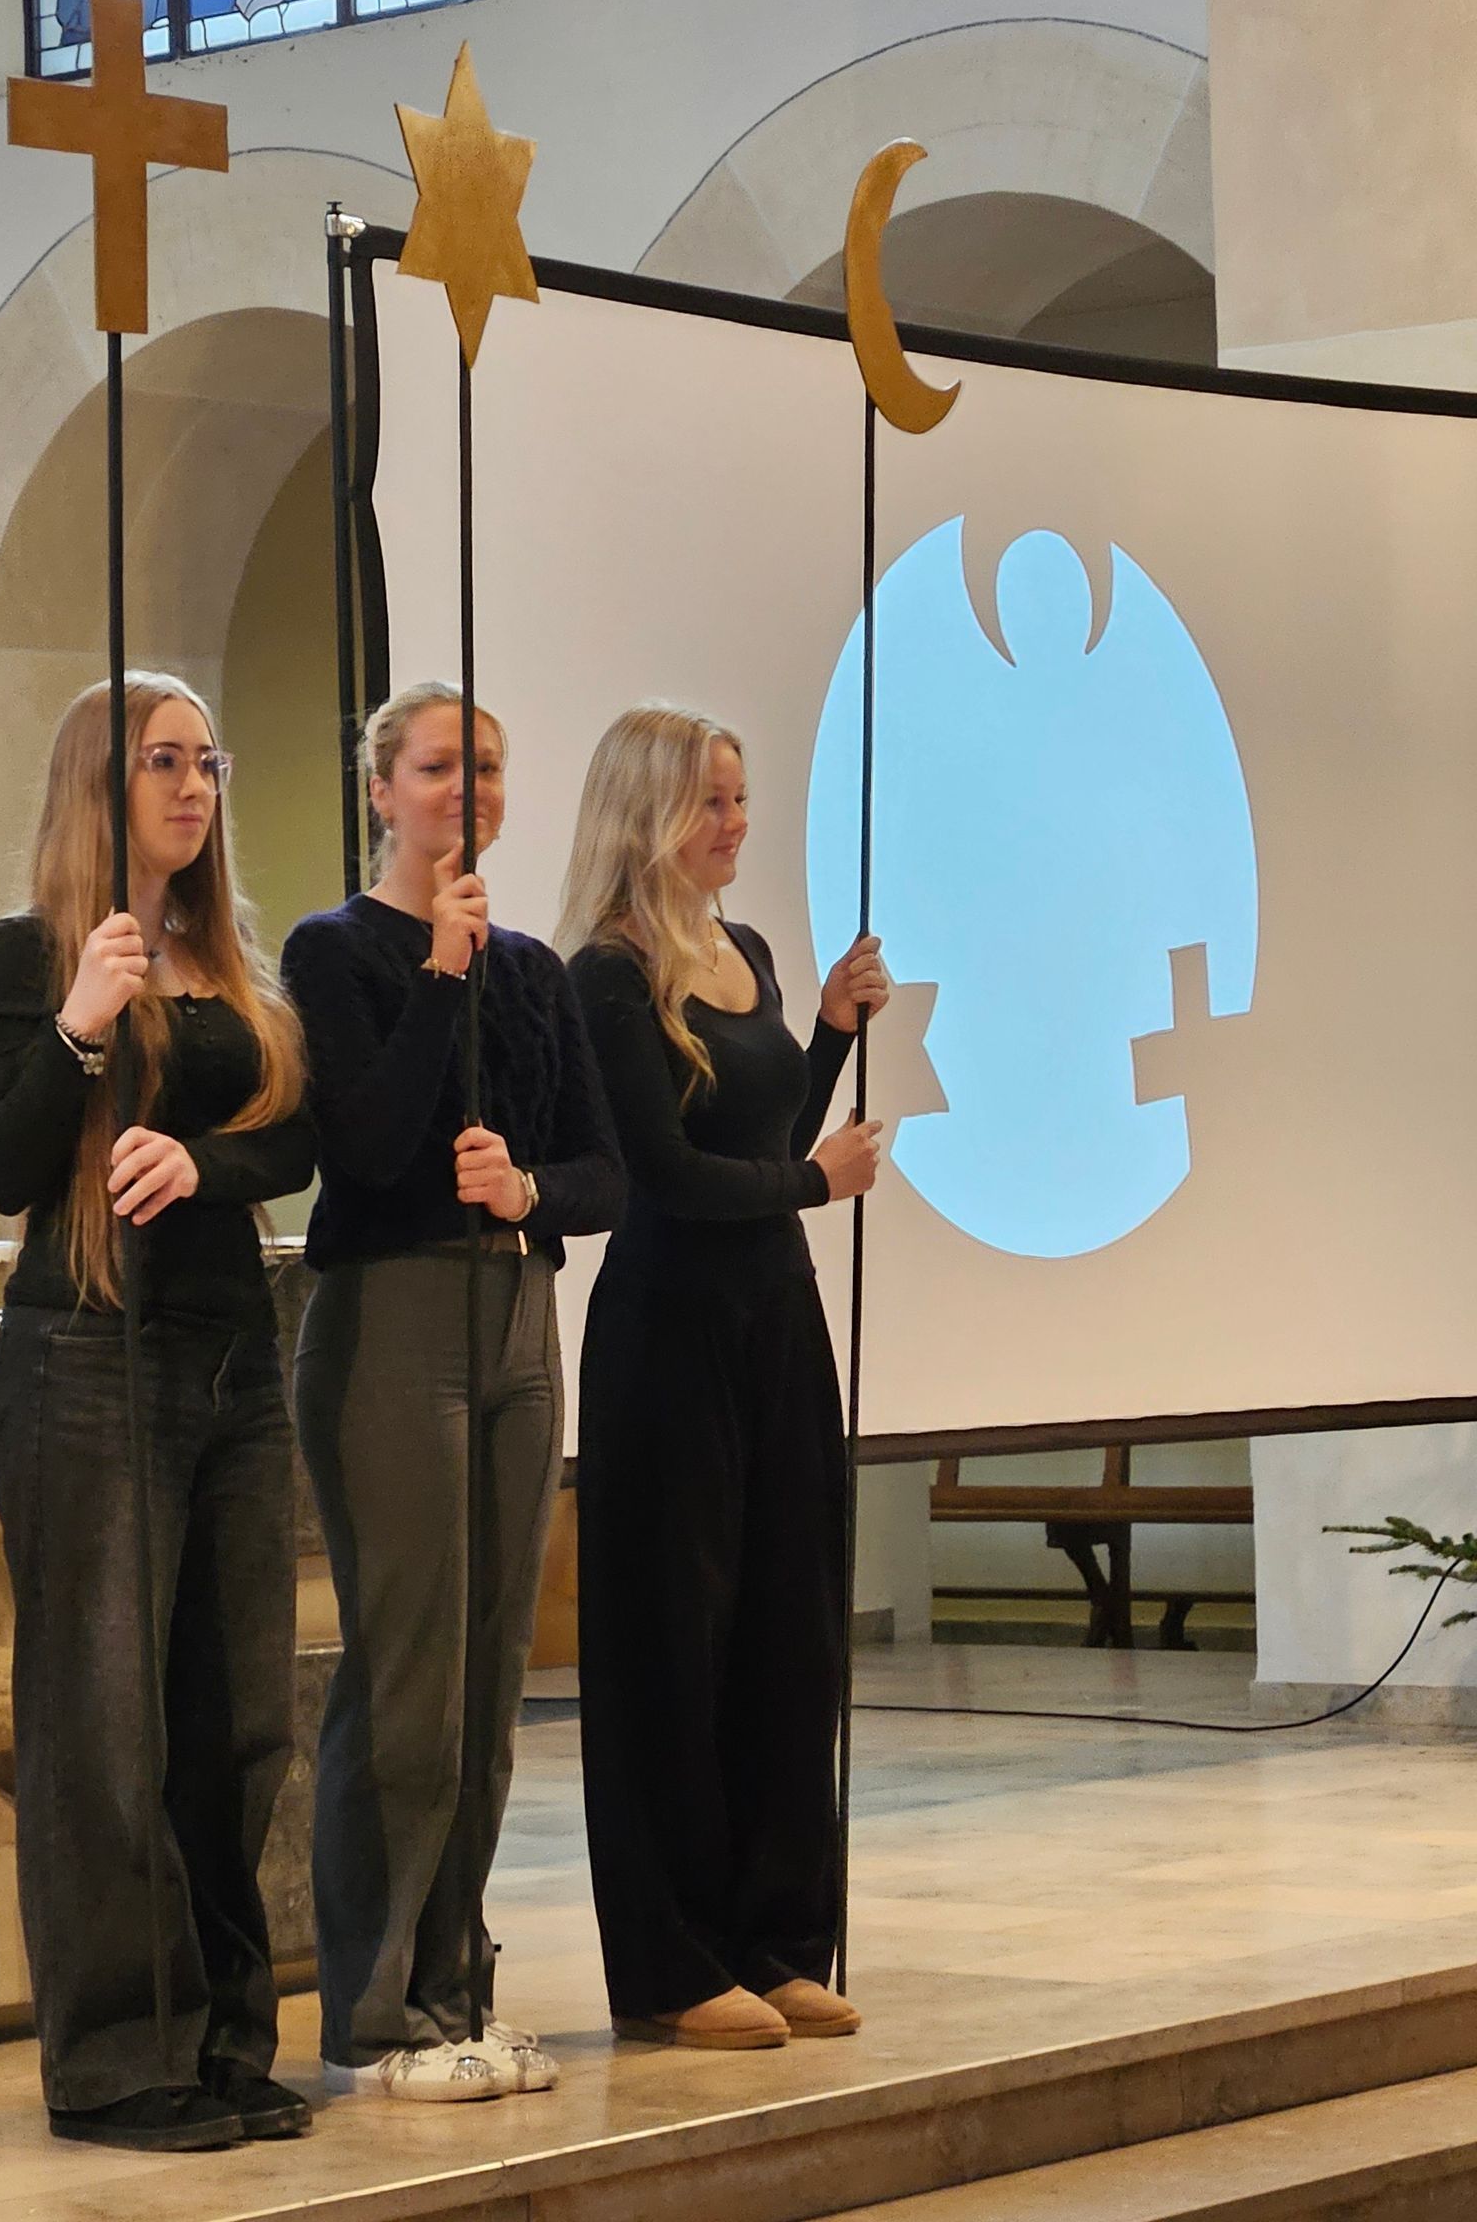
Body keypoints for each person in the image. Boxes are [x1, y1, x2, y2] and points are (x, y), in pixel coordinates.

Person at [0, 671, 315, 2154]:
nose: (192, 788)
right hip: (88, 1366)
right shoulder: (29, 959)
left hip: (232, 1365)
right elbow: (3, 1161)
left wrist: (204, 1166)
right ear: (96, 787)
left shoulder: (229, 960)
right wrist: (83, 1027)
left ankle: (225, 2040)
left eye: (207, 762)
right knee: (103, 1731)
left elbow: (293, 1137)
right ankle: (116, 2061)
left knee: (237, 1726)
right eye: (162, 762)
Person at [281, 682, 624, 2104]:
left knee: (490, 1682)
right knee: (412, 1673)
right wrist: (436, 968)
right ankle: (372, 2012)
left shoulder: (534, 971)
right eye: (436, 768)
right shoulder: (335, 949)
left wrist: (529, 1187)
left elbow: (606, 1172)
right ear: (382, 790)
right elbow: (361, 1148)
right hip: (393, 1316)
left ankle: (453, 1987)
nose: (465, 789)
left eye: (484, 766)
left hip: (519, 1315)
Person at [559, 704, 888, 2052]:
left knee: (788, 1633)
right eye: (712, 802)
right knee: (671, 1648)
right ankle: (674, 1962)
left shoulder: (744, 950)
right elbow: (671, 1177)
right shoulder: (606, 973)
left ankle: (779, 1941)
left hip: (775, 1321)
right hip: (667, 1333)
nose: (737, 824)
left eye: (742, 799)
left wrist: (830, 1036)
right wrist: (817, 1182)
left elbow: (767, 1133)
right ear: (647, 813)